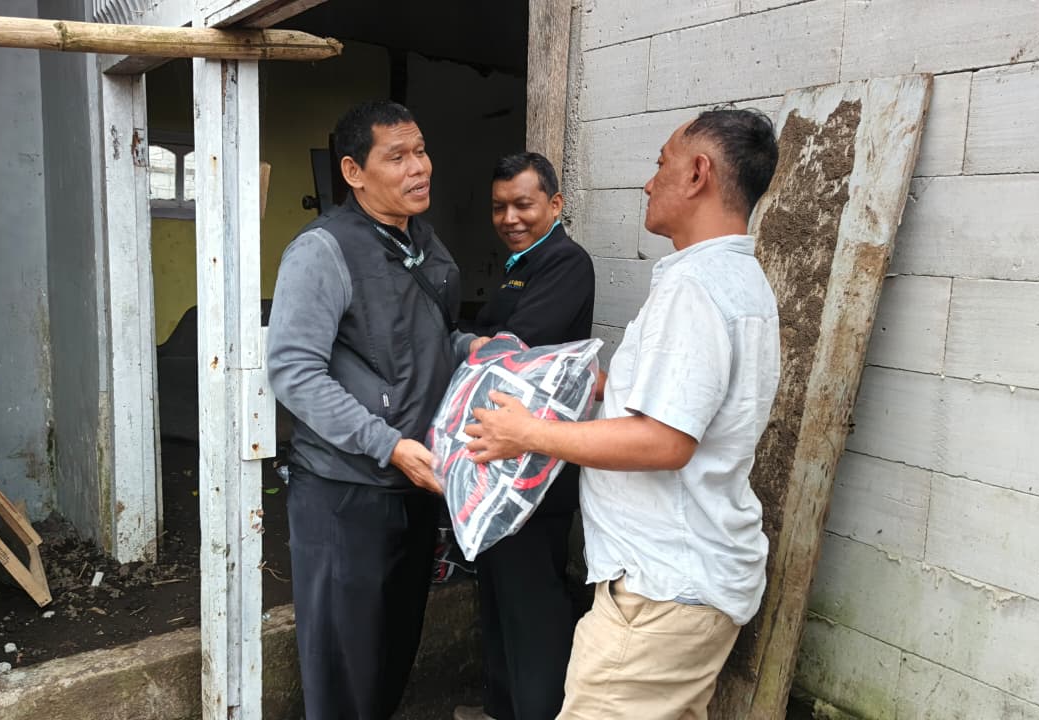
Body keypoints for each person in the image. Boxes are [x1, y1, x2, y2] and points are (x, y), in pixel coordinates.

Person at [465, 108, 780, 720]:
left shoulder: (693, 288)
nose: (648, 181)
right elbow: (683, 406)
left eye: (661, 164)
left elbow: (666, 442)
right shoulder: (734, 277)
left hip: (660, 595)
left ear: (698, 174)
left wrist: (529, 433)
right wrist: (599, 385)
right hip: (683, 583)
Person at [267, 100, 484, 720]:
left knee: (392, 653)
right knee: (346, 667)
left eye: (421, 151)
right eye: (398, 156)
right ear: (354, 172)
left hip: (414, 482)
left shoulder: (424, 243)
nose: (420, 168)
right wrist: (384, 443)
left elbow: (431, 340)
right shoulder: (323, 251)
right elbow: (293, 371)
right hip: (345, 493)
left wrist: (474, 347)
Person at [454, 153, 595, 720]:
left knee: (531, 606)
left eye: (523, 205)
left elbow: (510, 348)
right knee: (497, 595)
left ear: (554, 205)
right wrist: (475, 340)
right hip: (502, 462)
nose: (509, 218)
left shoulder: (565, 262)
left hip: (537, 469)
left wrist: (465, 341)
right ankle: (501, 708)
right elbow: (492, 337)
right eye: (499, 207)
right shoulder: (522, 263)